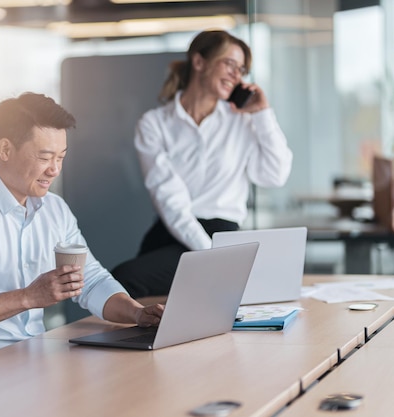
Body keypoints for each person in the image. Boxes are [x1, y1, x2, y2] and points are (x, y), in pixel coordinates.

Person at [0, 92, 164, 364]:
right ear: (6, 150)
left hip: (33, 359)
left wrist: (137, 313)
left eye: (61, 157)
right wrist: (27, 297)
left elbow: (89, 279)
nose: (55, 169)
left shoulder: (54, 210)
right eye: (45, 157)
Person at [111, 29, 293, 299]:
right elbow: (168, 198)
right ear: (199, 62)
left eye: (241, 69)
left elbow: (274, 176)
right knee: (119, 291)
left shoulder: (241, 122)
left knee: (124, 280)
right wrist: (210, 257)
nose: (236, 75)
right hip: (173, 231)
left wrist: (262, 115)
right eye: (229, 64)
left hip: (221, 234)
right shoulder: (155, 123)